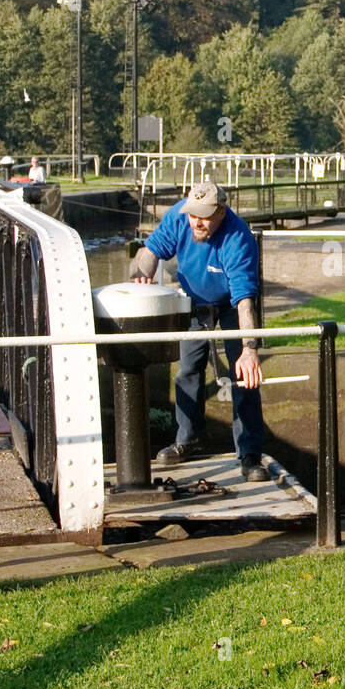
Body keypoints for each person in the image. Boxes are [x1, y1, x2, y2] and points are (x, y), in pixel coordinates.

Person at [132, 182, 268, 481]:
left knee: (243, 377)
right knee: (187, 370)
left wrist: (249, 349)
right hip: (194, 302)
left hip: (233, 304)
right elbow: (152, 250)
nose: (197, 222)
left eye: (204, 217)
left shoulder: (237, 237)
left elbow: (244, 300)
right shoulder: (179, 218)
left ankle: (249, 453)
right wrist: (141, 275)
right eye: (193, 215)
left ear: (221, 211)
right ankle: (188, 439)